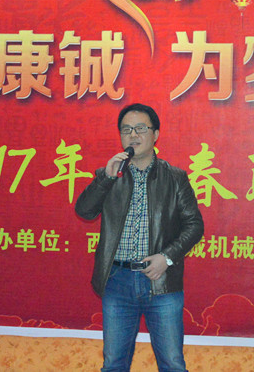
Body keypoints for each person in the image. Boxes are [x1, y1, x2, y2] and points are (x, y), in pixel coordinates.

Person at [76, 103, 204, 372]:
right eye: (126, 130)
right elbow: (84, 211)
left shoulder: (175, 177)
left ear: (155, 134)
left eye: (140, 128)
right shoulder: (110, 174)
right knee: (113, 364)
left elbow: (194, 226)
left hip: (161, 282)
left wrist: (166, 258)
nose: (133, 135)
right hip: (117, 281)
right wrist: (106, 178)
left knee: (172, 364)